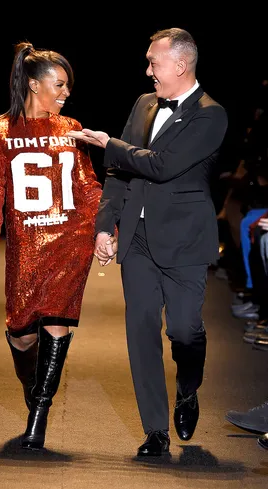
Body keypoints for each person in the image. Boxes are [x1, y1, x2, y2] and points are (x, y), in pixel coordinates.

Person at [66, 27, 228, 457]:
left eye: (153, 62)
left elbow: (162, 166)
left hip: (185, 241)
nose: (147, 70)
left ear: (180, 65)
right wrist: (105, 225)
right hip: (136, 239)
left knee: (183, 329)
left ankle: (188, 389)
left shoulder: (212, 115)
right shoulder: (143, 104)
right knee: (140, 332)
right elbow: (120, 172)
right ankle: (155, 430)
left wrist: (108, 143)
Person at [0, 41, 102, 451]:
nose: (66, 94)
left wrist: (106, 226)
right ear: (34, 84)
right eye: (60, 85)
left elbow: (87, 185)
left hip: (72, 238)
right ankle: (33, 392)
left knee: (56, 320)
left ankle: (39, 416)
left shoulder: (71, 128)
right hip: (26, 244)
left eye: (68, 87)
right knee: (20, 334)